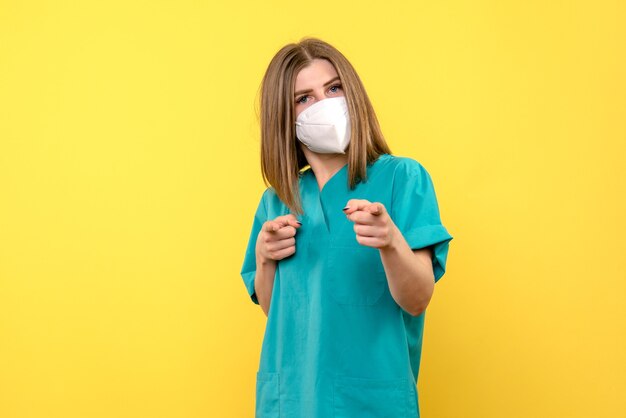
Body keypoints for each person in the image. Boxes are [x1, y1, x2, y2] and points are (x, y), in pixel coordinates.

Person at [239, 37, 453, 418]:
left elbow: (418, 298)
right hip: (291, 400)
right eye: (303, 99)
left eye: (333, 88)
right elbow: (280, 314)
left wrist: (391, 244)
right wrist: (265, 258)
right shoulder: (276, 202)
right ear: (284, 120)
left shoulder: (402, 178)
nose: (324, 104)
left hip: (370, 401)